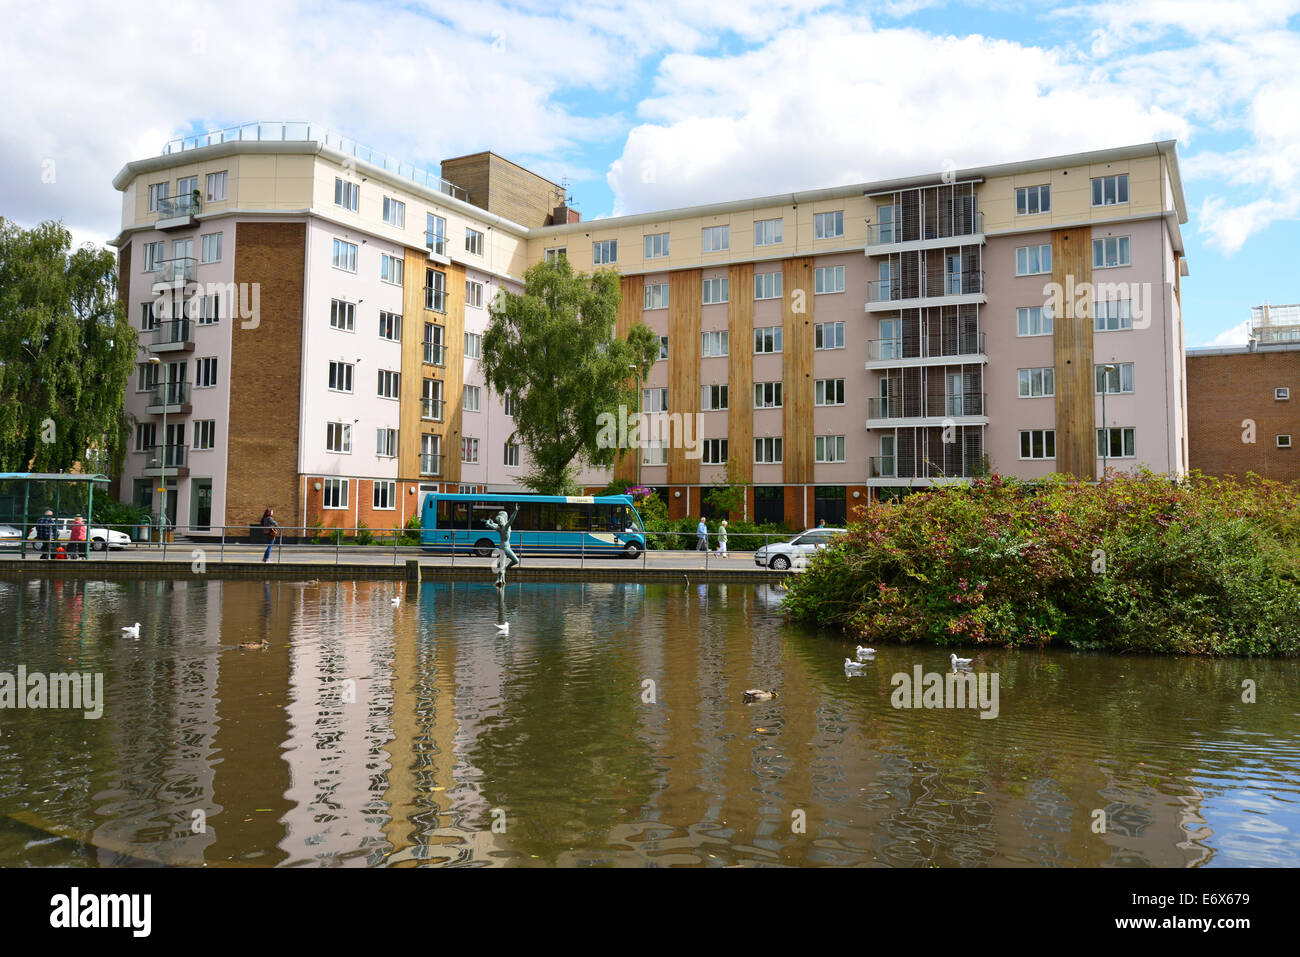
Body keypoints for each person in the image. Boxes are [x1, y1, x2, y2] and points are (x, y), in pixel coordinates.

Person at [484, 505, 521, 586]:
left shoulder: (499, 527)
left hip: (502, 547)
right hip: (505, 547)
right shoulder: (506, 527)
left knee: (501, 563)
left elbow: (490, 525)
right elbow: (511, 519)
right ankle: (504, 572)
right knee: (516, 561)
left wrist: (488, 522)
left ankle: (500, 579)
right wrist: (515, 511)